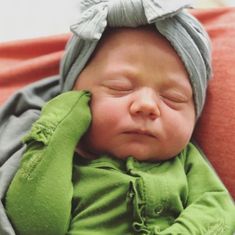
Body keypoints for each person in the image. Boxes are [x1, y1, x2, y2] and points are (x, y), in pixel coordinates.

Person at [2, 0, 235, 235]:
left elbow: (219, 211)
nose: (146, 105)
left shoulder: (186, 161)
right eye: (119, 87)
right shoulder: (66, 157)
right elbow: (37, 227)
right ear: (73, 93)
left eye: (173, 98)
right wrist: (57, 130)